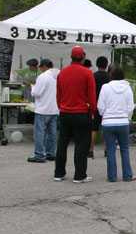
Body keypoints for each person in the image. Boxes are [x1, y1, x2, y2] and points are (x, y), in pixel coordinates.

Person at [54, 46, 96, 183]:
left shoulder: (62, 73)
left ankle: (59, 173)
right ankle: (79, 175)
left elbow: (58, 94)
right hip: (81, 112)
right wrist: (92, 111)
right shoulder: (87, 73)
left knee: (62, 143)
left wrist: (61, 107)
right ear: (83, 57)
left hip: (65, 111)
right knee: (81, 144)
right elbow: (91, 95)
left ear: (71, 57)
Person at [97, 66, 135, 182]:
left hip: (108, 122)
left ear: (111, 75)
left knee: (110, 149)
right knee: (124, 148)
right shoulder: (127, 88)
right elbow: (130, 107)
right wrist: (124, 114)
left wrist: (105, 114)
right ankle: (127, 175)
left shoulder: (106, 87)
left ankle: (112, 176)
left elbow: (100, 106)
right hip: (123, 121)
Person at [28, 59, 59, 163]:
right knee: (52, 133)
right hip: (54, 108)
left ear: (45, 67)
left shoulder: (43, 77)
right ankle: (51, 153)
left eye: (41, 67)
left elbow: (37, 93)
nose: (40, 69)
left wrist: (32, 88)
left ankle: (40, 155)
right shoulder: (58, 76)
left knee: (39, 132)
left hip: (43, 109)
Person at [89, 56, 110, 159]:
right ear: (107, 65)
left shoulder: (93, 76)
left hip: (95, 104)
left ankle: (91, 150)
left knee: (93, 128)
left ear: (96, 64)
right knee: (105, 128)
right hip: (107, 105)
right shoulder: (110, 77)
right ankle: (106, 150)